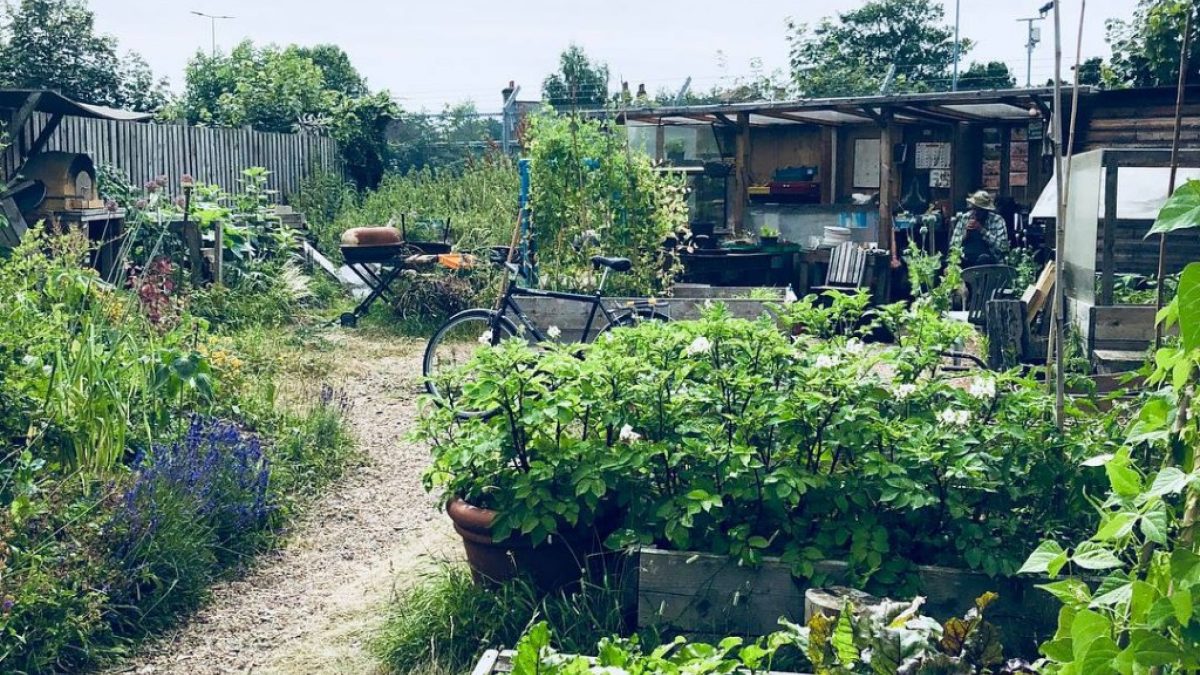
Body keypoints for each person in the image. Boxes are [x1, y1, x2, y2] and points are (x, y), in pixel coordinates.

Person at [950, 190, 1010, 267]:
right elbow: (952, 246)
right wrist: (965, 235)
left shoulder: (997, 220)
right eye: (974, 208)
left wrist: (982, 230)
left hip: (989, 262)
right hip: (966, 259)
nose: (975, 212)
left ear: (986, 210)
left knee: (984, 259)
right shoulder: (964, 218)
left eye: (979, 210)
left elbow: (1003, 247)